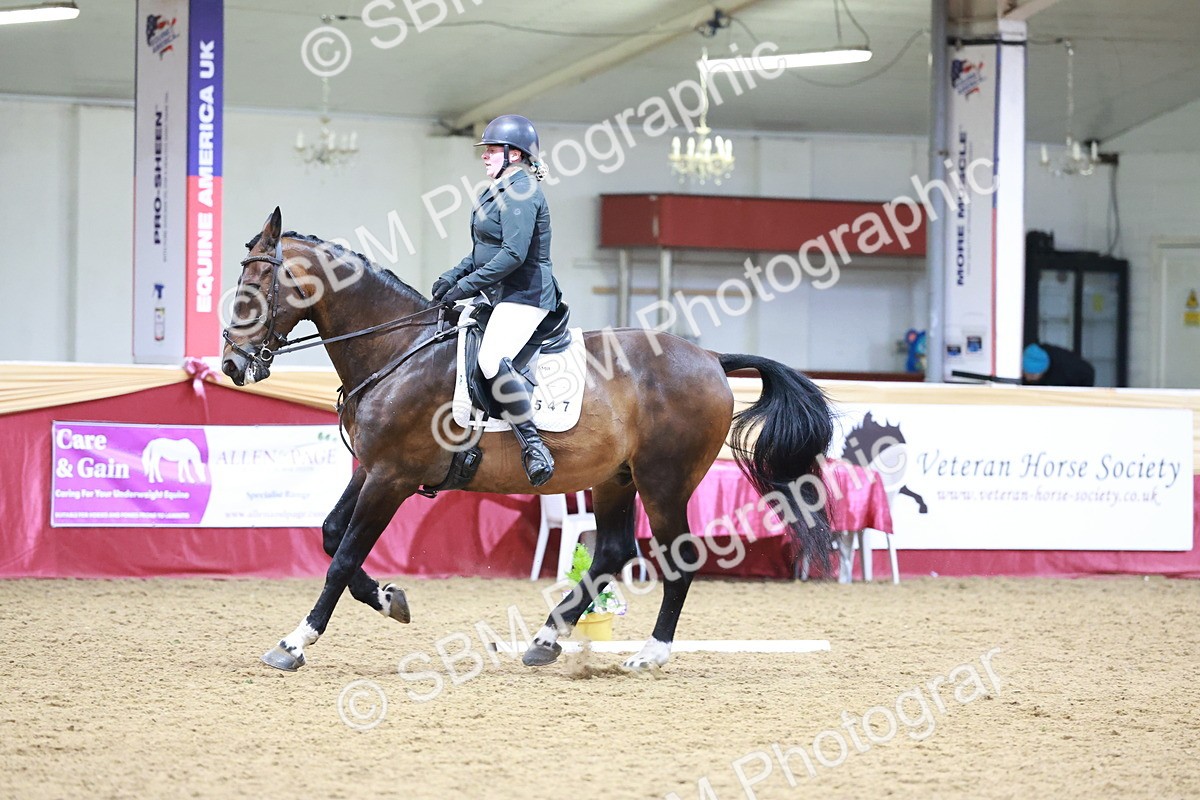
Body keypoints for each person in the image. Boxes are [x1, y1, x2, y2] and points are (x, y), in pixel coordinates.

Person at [431, 114, 561, 487]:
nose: (485, 156)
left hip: (525, 293)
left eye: (492, 150)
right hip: (498, 292)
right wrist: (452, 277)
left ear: (515, 154)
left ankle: (533, 446)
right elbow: (483, 252)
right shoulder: (497, 190)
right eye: (486, 150)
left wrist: (466, 286)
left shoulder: (523, 192)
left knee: (489, 359)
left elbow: (512, 255)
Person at [1022, 342, 1095, 387]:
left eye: (1031, 375)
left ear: (1043, 370)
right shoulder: (1029, 355)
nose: (1027, 378)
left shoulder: (1069, 367)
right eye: (1025, 373)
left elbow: (1089, 372)